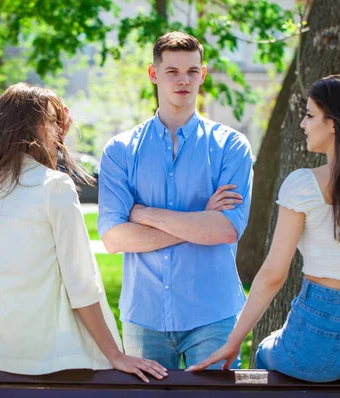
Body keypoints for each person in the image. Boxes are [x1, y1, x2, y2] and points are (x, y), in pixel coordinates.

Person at [188, 74, 340, 382]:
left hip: (318, 340)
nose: (303, 125)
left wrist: (234, 340)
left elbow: (273, 275)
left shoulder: (304, 185)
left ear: (332, 123)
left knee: (265, 351)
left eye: (309, 115)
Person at [0, 82, 167, 382]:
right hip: (47, 352)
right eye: (52, 121)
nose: (59, 129)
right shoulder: (54, 187)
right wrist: (115, 355)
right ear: (28, 128)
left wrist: (52, 137)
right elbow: (80, 282)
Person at [97, 32, 254, 370]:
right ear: (154, 74)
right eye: (172, 72)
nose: (184, 80)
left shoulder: (231, 146)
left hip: (213, 313)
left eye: (192, 71)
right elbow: (113, 238)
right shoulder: (121, 150)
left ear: (203, 74)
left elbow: (226, 229)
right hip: (145, 315)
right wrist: (200, 221)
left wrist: (144, 214)